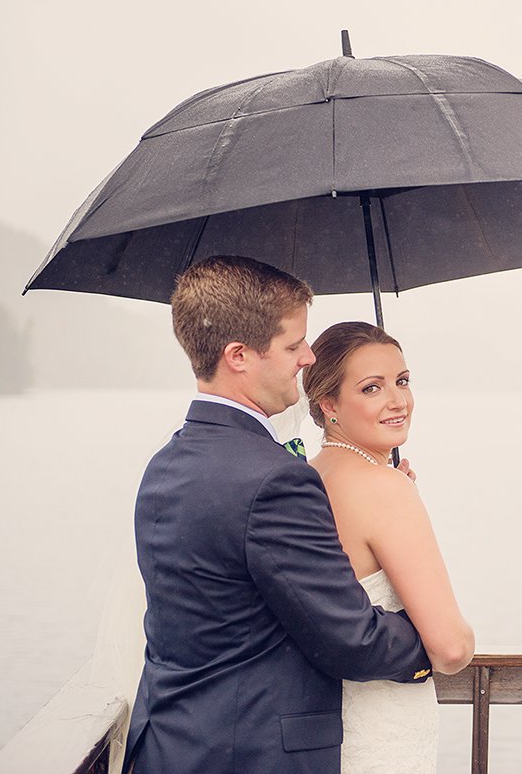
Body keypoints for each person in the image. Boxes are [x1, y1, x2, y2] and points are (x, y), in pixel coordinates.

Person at [123, 257, 434, 774]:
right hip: (251, 755)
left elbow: (232, 595)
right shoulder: (275, 478)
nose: (308, 358)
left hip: (170, 744)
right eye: (294, 345)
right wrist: (438, 641)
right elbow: (352, 639)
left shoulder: (166, 463)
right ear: (239, 356)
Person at [301, 321, 475, 773]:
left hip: (322, 726)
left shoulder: (302, 479)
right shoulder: (385, 490)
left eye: (402, 381)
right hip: (384, 731)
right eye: (372, 388)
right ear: (329, 404)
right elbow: (451, 649)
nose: (398, 401)